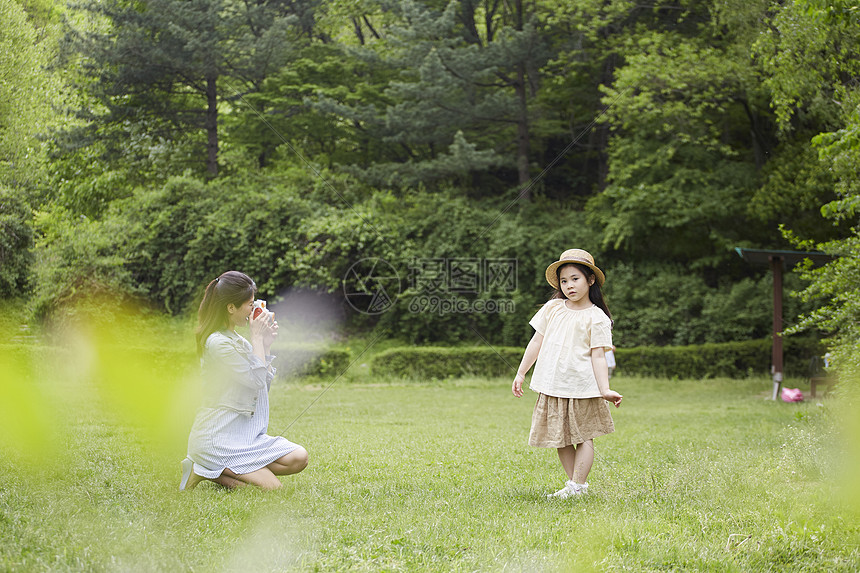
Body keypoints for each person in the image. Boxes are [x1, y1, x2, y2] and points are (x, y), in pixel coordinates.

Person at [179, 271, 308, 491]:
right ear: (231, 308)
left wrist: (265, 345)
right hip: (217, 437)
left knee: (299, 457)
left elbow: (261, 388)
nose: (253, 310)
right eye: (249, 305)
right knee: (272, 488)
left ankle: (216, 469)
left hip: (242, 436)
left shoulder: (239, 340)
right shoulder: (217, 343)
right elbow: (256, 381)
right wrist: (256, 338)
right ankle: (201, 467)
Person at [512, 249, 623, 499]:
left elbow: (598, 355)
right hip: (552, 384)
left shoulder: (597, 318)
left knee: (584, 436)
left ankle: (577, 486)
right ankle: (575, 486)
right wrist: (521, 373)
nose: (569, 285)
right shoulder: (552, 308)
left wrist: (604, 389)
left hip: (582, 386)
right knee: (559, 437)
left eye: (575, 279)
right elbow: (536, 342)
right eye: (564, 281)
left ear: (590, 280)